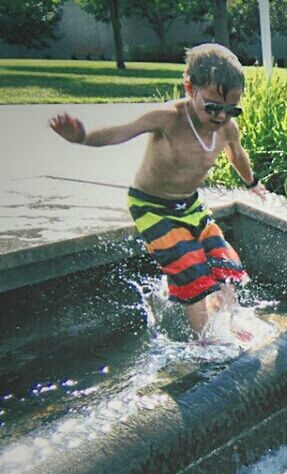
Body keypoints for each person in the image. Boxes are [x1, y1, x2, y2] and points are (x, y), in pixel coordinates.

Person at [50, 43, 267, 339]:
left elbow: (237, 155)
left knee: (225, 262)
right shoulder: (169, 119)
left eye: (231, 109)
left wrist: (252, 183)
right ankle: (204, 340)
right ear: (190, 88)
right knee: (191, 268)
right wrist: (83, 137)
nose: (220, 116)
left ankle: (227, 321)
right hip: (151, 206)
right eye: (213, 107)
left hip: (189, 205)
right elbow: (119, 132)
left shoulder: (227, 129)